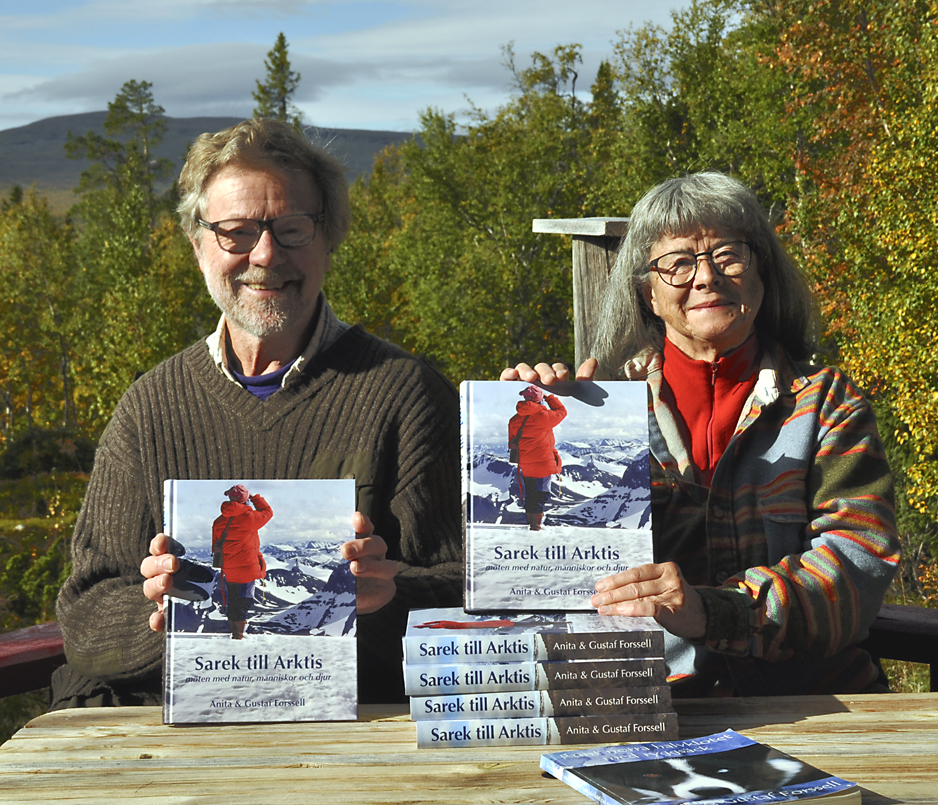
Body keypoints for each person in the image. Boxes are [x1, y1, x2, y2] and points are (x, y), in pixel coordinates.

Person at [52, 119, 462, 708]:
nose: (266, 255)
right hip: (170, 750)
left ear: (329, 240)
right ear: (198, 247)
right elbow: (86, 617)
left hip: (354, 746)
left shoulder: (407, 395)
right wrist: (162, 614)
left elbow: (476, 595)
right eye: (236, 233)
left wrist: (384, 597)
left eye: (292, 229)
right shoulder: (151, 407)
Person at [503, 172, 900, 696]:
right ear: (647, 292)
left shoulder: (824, 404)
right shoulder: (599, 412)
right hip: (653, 707)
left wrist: (714, 612)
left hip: (816, 700)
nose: (707, 277)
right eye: (678, 263)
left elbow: (856, 564)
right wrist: (525, 415)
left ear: (763, 271)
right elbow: (535, 576)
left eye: (728, 254)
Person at [212, 484, 272, 639]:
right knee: (244, 601)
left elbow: (216, 544)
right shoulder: (249, 518)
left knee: (234, 600)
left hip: (229, 568)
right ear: (245, 499)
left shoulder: (218, 521)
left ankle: (234, 632)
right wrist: (255, 498)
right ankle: (238, 636)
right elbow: (268, 512)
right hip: (247, 568)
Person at [508, 385, 566, 530]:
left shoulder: (514, 419)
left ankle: (531, 523)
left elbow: (512, 441)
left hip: (526, 463)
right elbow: (562, 412)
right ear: (539, 399)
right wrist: (550, 397)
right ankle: (536, 527)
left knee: (531, 493)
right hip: (543, 463)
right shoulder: (544, 416)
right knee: (540, 495)